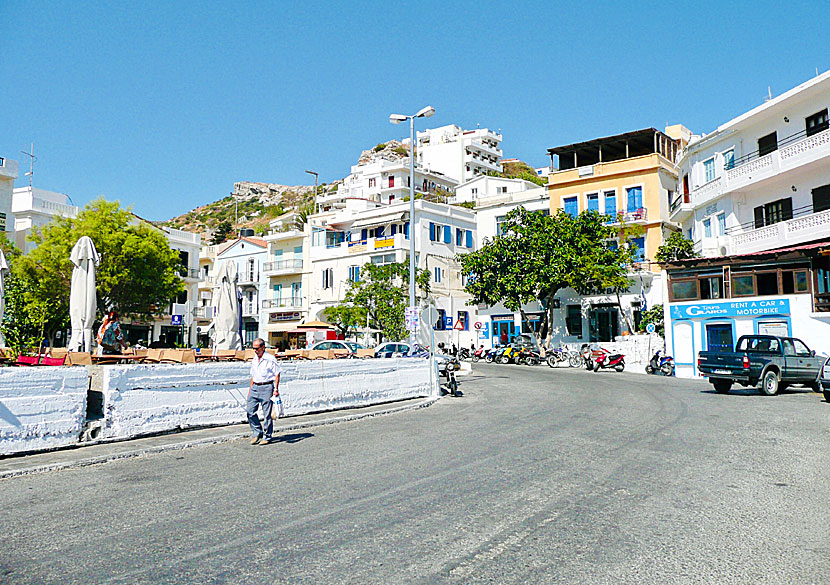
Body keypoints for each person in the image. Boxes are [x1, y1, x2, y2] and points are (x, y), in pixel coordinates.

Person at [247, 338, 282, 445]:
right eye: (254, 349)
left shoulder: (270, 359)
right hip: (255, 387)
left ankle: (267, 436)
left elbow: (277, 373)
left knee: (267, 414)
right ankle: (257, 431)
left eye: (257, 348)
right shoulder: (254, 359)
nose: (255, 351)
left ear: (263, 347)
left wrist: (275, 389)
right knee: (250, 411)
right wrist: (250, 389)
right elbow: (253, 375)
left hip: (267, 387)